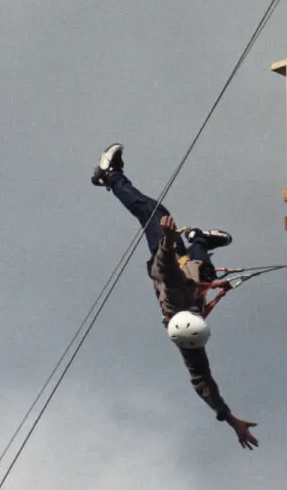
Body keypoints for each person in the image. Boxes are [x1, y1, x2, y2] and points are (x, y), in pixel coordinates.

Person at [92, 144, 258, 450]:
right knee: (204, 274)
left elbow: (164, 266)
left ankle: (109, 175)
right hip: (191, 273)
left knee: (153, 212)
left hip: (167, 256)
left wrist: (168, 239)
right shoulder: (190, 344)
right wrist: (229, 417)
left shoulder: (174, 292)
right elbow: (203, 385)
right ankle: (199, 240)